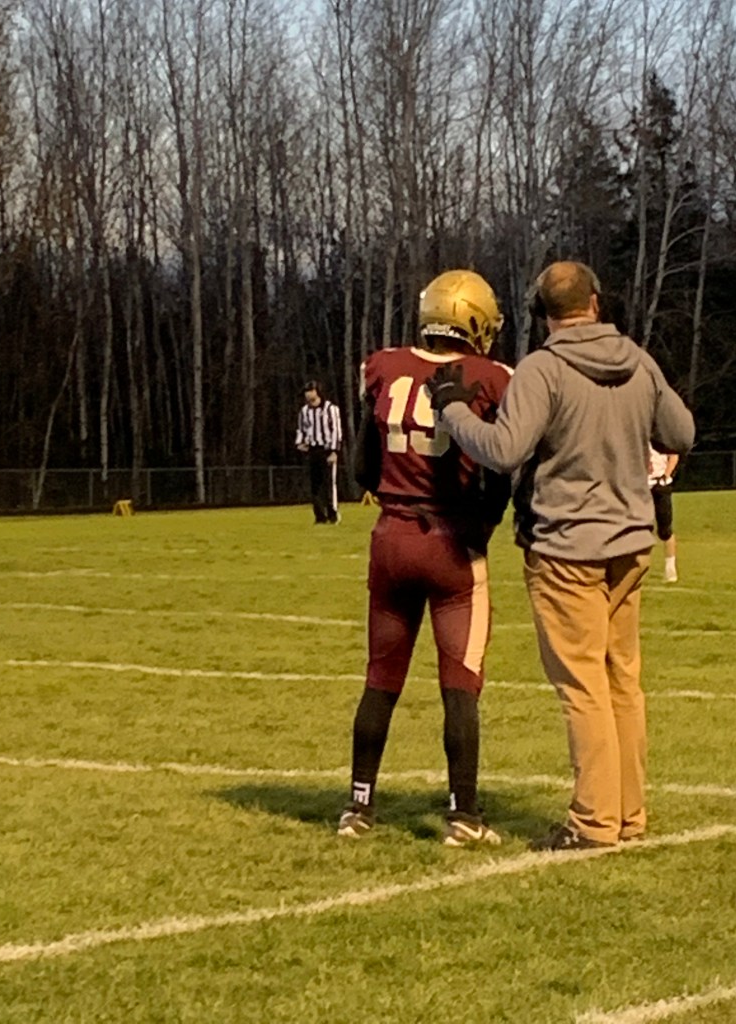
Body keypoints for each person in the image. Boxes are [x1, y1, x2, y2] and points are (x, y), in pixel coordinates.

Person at [426, 260, 695, 851]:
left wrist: (453, 410)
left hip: (566, 547)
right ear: (596, 302)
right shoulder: (638, 361)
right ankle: (628, 814)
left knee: (583, 687)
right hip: (631, 544)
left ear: (542, 313)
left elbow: (504, 450)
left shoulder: (542, 369)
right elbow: (681, 433)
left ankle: (594, 821)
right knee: (622, 682)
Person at [337, 269, 512, 846]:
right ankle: (464, 814)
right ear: (473, 321)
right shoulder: (493, 378)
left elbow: (363, 469)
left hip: (391, 537)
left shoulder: (383, 366)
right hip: (452, 541)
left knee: (381, 676)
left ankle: (358, 805)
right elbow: (501, 467)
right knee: (460, 681)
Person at [295, 380, 343, 524]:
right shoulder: (304, 411)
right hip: (313, 450)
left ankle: (332, 513)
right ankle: (319, 515)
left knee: (329, 483)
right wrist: (300, 443)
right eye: (306, 392)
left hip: (326, 449)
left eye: (311, 391)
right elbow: (301, 429)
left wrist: (334, 451)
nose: (308, 394)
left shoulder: (330, 409)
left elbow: (336, 430)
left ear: (318, 392)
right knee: (315, 485)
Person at [648, 444, 679, 582]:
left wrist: (666, 476)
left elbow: (674, 456)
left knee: (665, 530)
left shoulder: (662, 438)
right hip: (641, 485)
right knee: (638, 529)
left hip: (660, 483)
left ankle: (670, 568)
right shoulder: (637, 435)